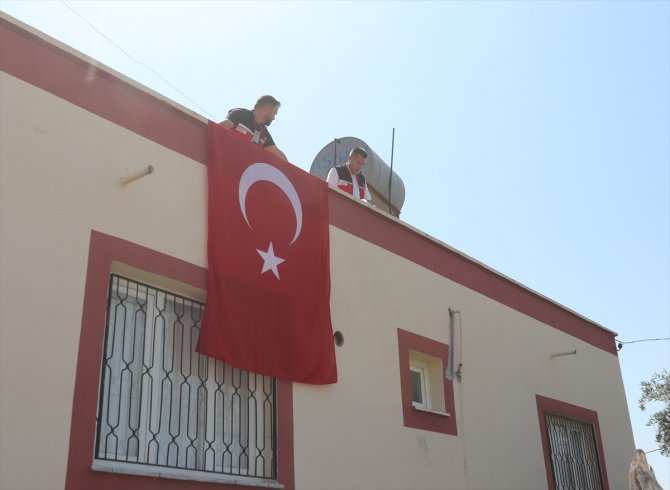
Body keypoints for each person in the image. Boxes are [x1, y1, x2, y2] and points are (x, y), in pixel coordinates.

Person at [219, 95, 287, 160]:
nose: (274, 118)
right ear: (267, 109)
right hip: (223, 158)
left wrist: (290, 168)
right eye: (274, 113)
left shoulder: (264, 134)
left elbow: (277, 153)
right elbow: (219, 127)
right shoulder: (241, 114)